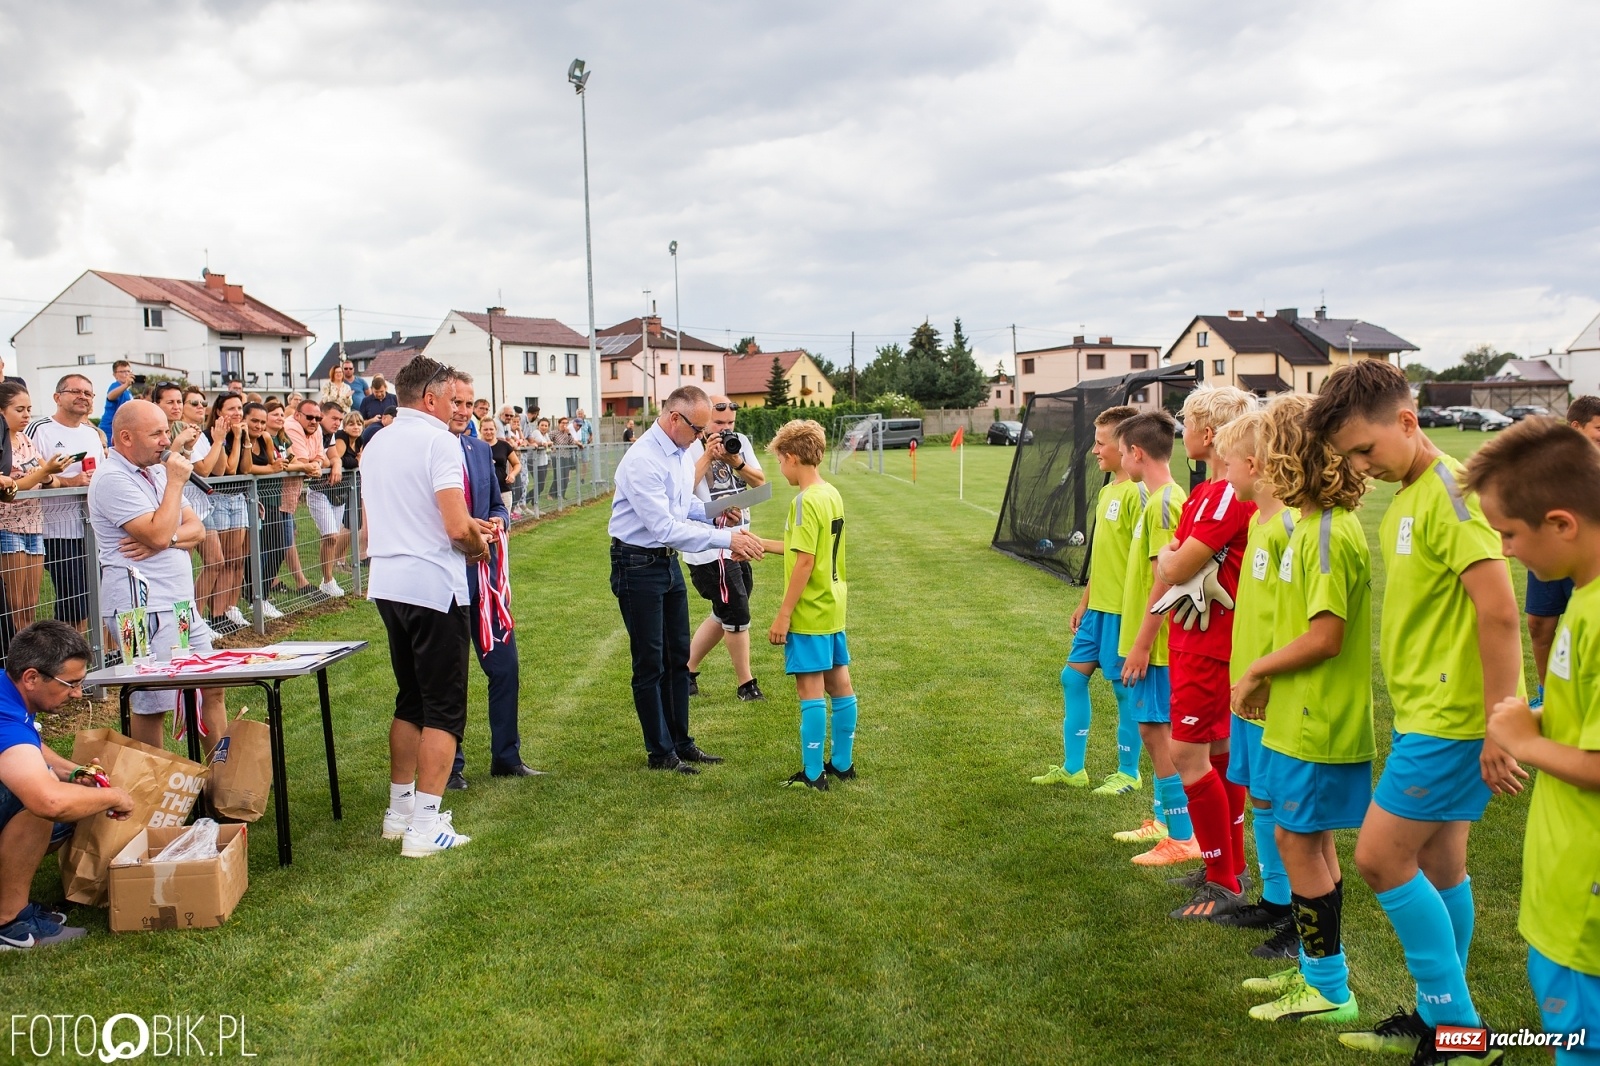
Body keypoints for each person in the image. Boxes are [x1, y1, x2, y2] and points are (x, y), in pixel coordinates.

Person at [1310, 359, 1522, 1055]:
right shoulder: (1408, 495)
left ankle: (1461, 1034)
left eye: (1365, 450)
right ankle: (1443, 1022)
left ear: (1408, 421)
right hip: (1426, 714)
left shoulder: (1453, 496)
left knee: (1377, 859)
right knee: (1441, 867)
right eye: (1349, 457)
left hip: (1451, 722)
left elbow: (1498, 613)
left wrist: (1501, 720)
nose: (1360, 467)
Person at [1229, 397, 1371, 1025]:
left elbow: (1326, 636)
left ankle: (1329, 989)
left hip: (1319, 718)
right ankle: (1318, 972)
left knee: (1298, 842)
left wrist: (1259, 669)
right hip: (1296, 715)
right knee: (1307, 842)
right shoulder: (1308, 525)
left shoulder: (1325, 533)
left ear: (1291, 454)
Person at [1471, 419, 1600, 1066]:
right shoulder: (1585, 595)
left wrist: (1523, 737)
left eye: (1512, 535)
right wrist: (1546, 713)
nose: (1507, 550)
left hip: (1586, 902)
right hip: (1563, 884)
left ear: (1562, 522)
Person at [607, 385, 763, 774]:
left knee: (677, 657)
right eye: (697, 429)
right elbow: (664, 526)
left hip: (665, 563)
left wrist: (715, 513)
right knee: (650, 662)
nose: (702, 438)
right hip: (637, 564)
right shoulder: (643, 459)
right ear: (674, 418)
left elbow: (683, 504)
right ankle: (660, 753)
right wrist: (726, 537)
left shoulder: (677, 450)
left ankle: (681, 742)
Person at [367, 357, 488, 857]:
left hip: (389, 580)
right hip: (430, 583)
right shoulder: (438, 440)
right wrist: (481, 545)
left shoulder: (377, 441)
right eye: (449, 397)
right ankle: (425, 825)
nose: (454, 407)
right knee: (443, 708)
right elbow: (457, 527)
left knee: (410, 699)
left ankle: (400, 812)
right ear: (431, 398)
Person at [1155, 386, 1258, 921]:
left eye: (1187, 422)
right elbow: (1175, 558)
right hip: (1201, 636)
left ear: (1211, 433)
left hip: (1208, 641)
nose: (1182, 431)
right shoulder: (1205, 493)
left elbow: (1171, 566)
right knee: (1217, 753)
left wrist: (1174, 560)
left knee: (1187, 755)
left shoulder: (1220, 496)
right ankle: (1228, 862)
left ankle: (1221, 878)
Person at [87, 401, 227, 752]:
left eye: (167, 431)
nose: (167, 440)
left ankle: (221, 785)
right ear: (126, 437)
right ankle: (156, 792)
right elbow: (159, 533)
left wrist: (168, 539)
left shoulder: (160, 472)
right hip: (136, 611)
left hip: (180, 604)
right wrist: (164, 533)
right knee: (152, 703)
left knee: (213, 686)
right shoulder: (112, 478)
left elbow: (195, 530)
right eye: (157, 433)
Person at [1212, 406, 1300, 960]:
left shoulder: (1291, 525)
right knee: (1262, 800)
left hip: (1273, 694)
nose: (1222, 475)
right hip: (1245, 688)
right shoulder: (1259, 523)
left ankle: (1298, 911)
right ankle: (1274, 898)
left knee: (1286, 808)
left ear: (1253, 463)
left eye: (1227, 465)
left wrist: (1264, 675)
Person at [0, 622, 138, 949]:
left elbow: (25, 746)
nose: (77, 694)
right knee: (43, 803)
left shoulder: (8, 695)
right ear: (32, 677)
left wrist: (74, 773)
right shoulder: (5, 716)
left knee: (62, 804)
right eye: (70, 684)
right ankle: (8, 920)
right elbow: (48, 802)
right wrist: (113, 796)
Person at [1033, 405, 1144, 791]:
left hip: (1121, 612)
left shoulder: (1137, 494)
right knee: (1072, 678)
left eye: (1101, 443)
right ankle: (1073, 769)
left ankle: (1128, 773)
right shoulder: (1108, 489)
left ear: (1126, 446)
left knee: (1123, 691)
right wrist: (1084, 602)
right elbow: (1105, 555)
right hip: (1097, 609)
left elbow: (1143, 563)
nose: (1094, 451)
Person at [1110, 411, 1196, 865]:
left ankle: (1181, 836)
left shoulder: (1164, 503)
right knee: (1155, 730)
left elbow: (1163, 581)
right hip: (1148, 642)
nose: (1120, 458)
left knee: (1155, 731)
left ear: (1136, 454)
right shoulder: (1157, 499)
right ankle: (1166, 820)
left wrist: (1142, 644)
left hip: (1157, 647)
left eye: (1122, 451)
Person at [443, 375, 537, 787]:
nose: (464, 411)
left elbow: (497, 502)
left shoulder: (481, 450)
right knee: (450, 676)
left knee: (505, 667)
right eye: (456, 403)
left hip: (485, 578)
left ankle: (507, 756)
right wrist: (466, 526)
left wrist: (496, 520)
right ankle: (450, 767)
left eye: (469, 403)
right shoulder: (430, 449)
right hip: (445, 578)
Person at [755, 420, 856, 790]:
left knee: (809, 690)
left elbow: (805, 561)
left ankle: (814, 775)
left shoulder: (803, 502)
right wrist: (763, 543)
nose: (779, 469)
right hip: (832, 605)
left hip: (809, 611)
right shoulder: (830, 493)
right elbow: (807, 548)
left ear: (792, 457)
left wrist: (784, 615)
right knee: (840, 683)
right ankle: (843, 763)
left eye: (779, 461)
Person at [682, 396, 768, 702]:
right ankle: (747, 684)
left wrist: (737, 462)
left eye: (730, 423)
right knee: (736, 610)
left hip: (738, 537)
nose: (725, 430)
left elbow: (760, 483)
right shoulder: (689, 445)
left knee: (725, 611)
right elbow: (679, 492)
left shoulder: (739, 442)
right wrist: (707, 455)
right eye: (718, 424)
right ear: (704, 420)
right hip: (707, 544)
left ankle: (686, 672)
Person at [1521, 395, 1600, 698]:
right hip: (1550, 556)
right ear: (1576, 426)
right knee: (1539, 624)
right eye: (1599, 428)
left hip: (1589, 561)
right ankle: (1546, 693)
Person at [28, 374, 105, 633]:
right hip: (56, 530)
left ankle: (91, 656)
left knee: (95, 599)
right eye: (76, 391)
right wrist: (70, 481)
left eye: (88, 393)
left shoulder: (92, 435)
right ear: (57, 397)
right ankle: (68, 658)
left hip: (92, 530)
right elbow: (27, 474)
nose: (83, 396)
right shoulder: (40, 429)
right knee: (73, 604)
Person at [0, 384, 71, 633]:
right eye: (19, 409)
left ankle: (25, 657)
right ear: (1, 411)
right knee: (14, 605)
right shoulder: (2, 445)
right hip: (7, 525)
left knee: (30, 603)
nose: (26, 415)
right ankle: (14, 660)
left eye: (29, 409)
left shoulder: (26, 439)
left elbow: (52, 480)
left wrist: (49, 474)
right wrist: (42, 473)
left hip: (34, 525)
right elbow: (12, 489)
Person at [194, 394, 250, 628]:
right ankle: (212, 614)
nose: (237, 412)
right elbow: (228, 468)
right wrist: (235, 439)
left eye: (240, 408)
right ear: (218, 412)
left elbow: (245, 468)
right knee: (220, 560)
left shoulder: (239, 434)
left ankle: (227, 609)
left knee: (236, 559)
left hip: (237, 497)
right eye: (231, 408)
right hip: (216, 499)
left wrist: (243, 440)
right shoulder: (210, 437)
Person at [479, 419, 520, 517]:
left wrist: (512, 474)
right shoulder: (476, 446)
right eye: (485, 429)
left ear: (496, 429)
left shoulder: (504, 445)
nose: (489, 432)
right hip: (482, 491)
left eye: (491, 429)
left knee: (503, 523)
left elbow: (517, 464)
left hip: (503, 490)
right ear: (480, 430)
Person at [101, 361, 136, 428]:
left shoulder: (126, 390)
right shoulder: (115, 385)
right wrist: (126, 385)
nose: (126, 374)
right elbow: (110, 396)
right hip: (110, 427)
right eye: (122, 372)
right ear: (115, 375)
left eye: (128, 371)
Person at [549, 416, 576, 500]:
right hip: (556, 457)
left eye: (566, 423)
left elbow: (572, 444)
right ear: (559, 424)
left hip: (566, 456)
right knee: (558, 475)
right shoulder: (554, 433)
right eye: (562, 423)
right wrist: (552, 447)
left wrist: (569, 434)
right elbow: (548, 441)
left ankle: (562, 494)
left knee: (566, 477)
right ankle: (552, 494)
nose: (564, 425)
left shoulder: (568, 433)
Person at [527, 417, 553, 502]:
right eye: (542, 425)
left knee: (540, 485)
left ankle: (534, 502)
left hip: (543, 462)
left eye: (546, 426)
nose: (544, 427)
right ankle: (525, 500)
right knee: (540, 485)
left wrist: (548, 444)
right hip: (534, 461)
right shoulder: (536, 432)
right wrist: (547, 444)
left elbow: (550, 444)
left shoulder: (546, 434)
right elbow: (543, 443)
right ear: (538, 426)